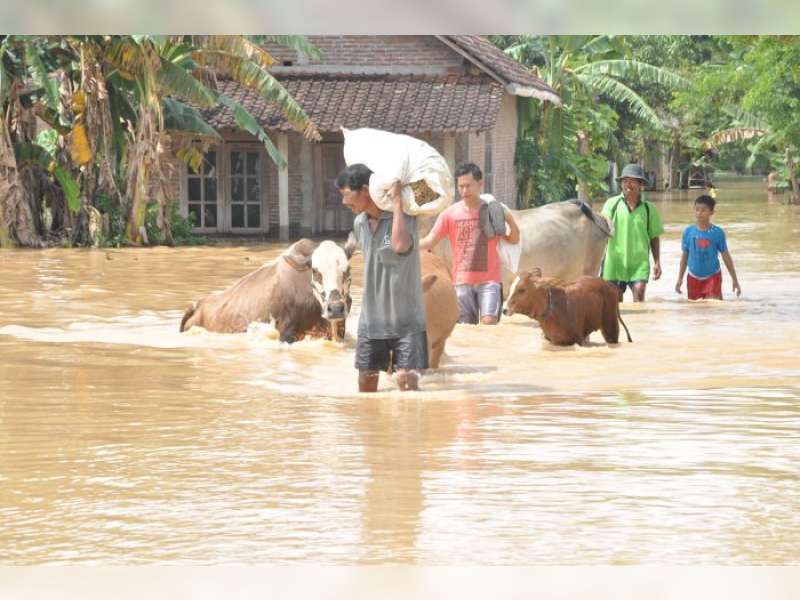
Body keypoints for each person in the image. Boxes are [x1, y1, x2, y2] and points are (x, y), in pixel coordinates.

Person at [337, 163, 428, 393]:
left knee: (407, 384)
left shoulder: (405, 217)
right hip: (371, 322)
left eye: (347, 194)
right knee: (366, 388)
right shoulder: (359, 224)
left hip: (407, 323)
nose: (344, 202)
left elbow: (398, 245)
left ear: (366, 190)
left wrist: (397, 203)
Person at [419, 162, 520, 324]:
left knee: (489, 326)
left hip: (490, 281)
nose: (464, 191)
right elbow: (430, 241)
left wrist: (509, 218)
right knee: (466, 330)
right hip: (461, 283)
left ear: (480, 184)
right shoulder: (449, 214)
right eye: (461, 187)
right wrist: (405, 247)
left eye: (468, 186)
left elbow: (513, 239)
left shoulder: (492, 211)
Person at [601, 163, 664, 302]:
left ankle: (639, 325)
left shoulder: (649, 209)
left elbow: (654, 237)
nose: (628, 184)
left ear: (640, 184)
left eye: (632, 181)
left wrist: (657, 262)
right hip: (615, 264)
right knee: (615, 306)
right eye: (625, 181)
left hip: (639, 264)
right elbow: (602, 227)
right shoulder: (612, 204)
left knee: (639, 297)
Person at [675, 194, 741, 300]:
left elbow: (726, 256)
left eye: (703, 210)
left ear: (711, 212)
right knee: (694, 309)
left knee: (713, 307)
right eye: (697, 210)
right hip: (693, 277)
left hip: (712, 276)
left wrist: (735, 279)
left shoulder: (717, 233)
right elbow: (684, 256)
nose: (699, 213)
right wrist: (679, 279)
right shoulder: (688, 232)